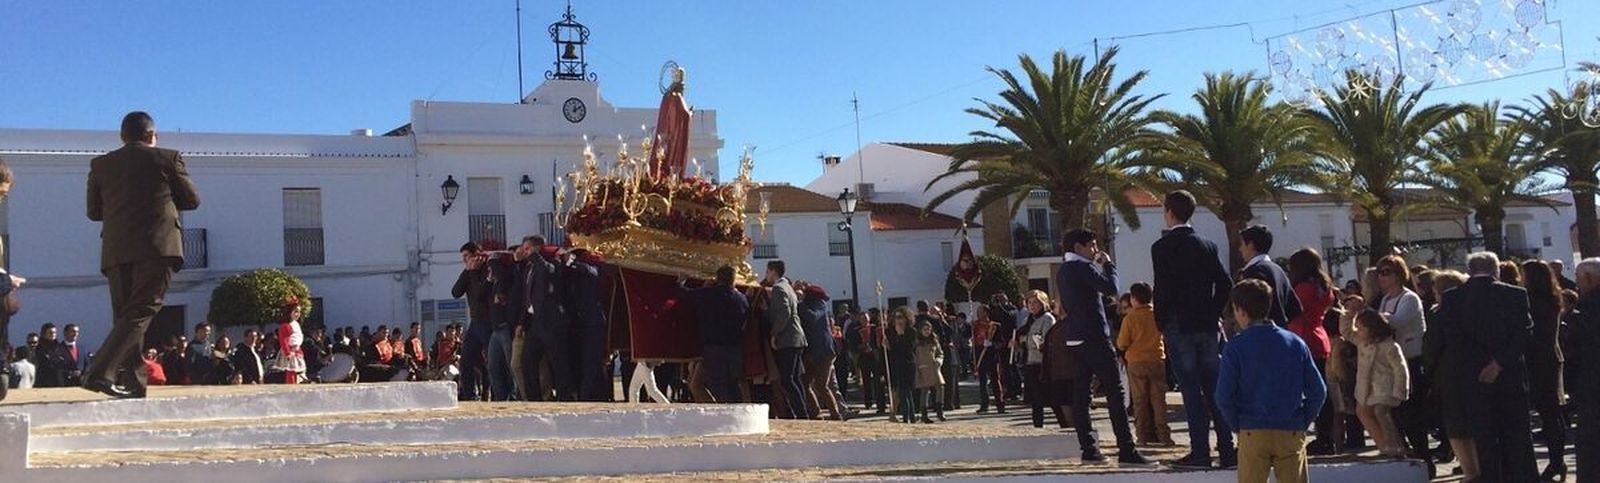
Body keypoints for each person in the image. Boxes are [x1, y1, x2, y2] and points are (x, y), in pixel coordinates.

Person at [83, 111, 201, 398]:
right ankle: (99, 372)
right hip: (158, 247)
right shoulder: (167, 158)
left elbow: (94, 212)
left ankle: (135, 382)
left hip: (116, 250)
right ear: (151, 135)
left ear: (123, 137)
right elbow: (192, 200)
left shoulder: (100, 165)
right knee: (142, 311)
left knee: (126, 316)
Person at [1427, 252, 1537, 481]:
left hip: (1473, 378)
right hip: (1510, 377)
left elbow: (1455, 340)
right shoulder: (1515, 295)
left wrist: (1480, 366)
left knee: (1485, 438)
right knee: (1517, 438)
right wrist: (1499, 363)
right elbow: (1523, 335)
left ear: (1470, 271)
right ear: (1496, 269)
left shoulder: (1453, 298)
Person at [1151, 190, 1236, 469]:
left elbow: (1162, 289)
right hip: (1206, 324)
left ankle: (1200, 451)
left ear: (1169, 212)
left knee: (1190, 389)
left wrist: (1161, 321)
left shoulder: (1162, 247)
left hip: (1179, 325)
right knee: (1214, 387)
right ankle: (1227, 448)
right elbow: (1224, 283)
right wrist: (1213, 311)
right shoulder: (1207, 245)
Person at [1058, 229, 1152, 465]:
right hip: (1094, 337)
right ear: (1078, 247)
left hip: (1075, 337)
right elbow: (1111, 288)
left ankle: (1088, 449)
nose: (1096, 250)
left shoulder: (1063, 270)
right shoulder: (1082, 267)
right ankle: (1127, 449)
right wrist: (1108, 265)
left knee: (1081, 395)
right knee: (1115, 392)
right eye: (1091, 245)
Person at [1217, 279, 1326, 483]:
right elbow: (1318, 391)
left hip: (1252, 429)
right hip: (1290, 428)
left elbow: (1223, 396)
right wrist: (1303, 419)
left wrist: (1237, 424)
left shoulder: (1235, 347)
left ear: (1240, 311)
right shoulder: (1295, 343)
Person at [1366, 256, 1430, 467]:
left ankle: (1424, 459)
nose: (1382, 277)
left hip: (1410, 360)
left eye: (1387, 272)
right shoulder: (1385, 299)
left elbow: (1397, 322)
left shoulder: (1409, 298)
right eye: (1380, 273)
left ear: (1399, 274)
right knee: (1393, 412)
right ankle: (1403, 455)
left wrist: (1372, 316)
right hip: (1390, 363)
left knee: (1412, 414)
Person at [1286, 249, 1338, 454]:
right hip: (1319, 337)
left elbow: (1296, 314)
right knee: (1320, 389)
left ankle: (1320, 436)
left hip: (1304, 337)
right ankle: (1325, 436)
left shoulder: (1304, 288)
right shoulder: (1323, 286)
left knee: (1307, 391)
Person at [1521, 260, 1568, 480]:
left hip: (1537, 361)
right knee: (1552, 413)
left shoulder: (1531, 301)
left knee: (1547, 413)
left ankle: (1556, 461)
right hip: (1551, 357)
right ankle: (1557, 460)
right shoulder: (1552, 299)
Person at [1341, 307, 1409, 457]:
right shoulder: (1362, 342)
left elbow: (1400, 369)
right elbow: (1346, 331)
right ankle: (1383, 446)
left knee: (1381, 412)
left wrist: (1400, 390)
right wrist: (1348, 314)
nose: (1357, 331)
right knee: (1362, 412)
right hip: (1366, 388)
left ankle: (1396, 446)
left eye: (1361, 328)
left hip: (1385, 388)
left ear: (1372, 328)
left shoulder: (1389, 346)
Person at [682, 265, 749, 404]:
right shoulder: (741, 299)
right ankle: (726, 413)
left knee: (713, 386)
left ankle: (720, 414)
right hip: (735, 349)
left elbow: (685, 295)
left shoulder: (708, 294)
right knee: (731, 386)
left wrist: (680, 282)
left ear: (718, 279)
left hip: (713, 349)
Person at [1117, 282, 1174, 447]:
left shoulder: (1130, 318)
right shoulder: (1157, 314)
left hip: (1136, 361)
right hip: (1157, 359)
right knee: (1158, 400)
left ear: (1133, 299)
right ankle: (1164, 436)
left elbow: (1122, 342)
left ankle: (1142, 436)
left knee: (1140, 401)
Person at [763, 260, 809, 419]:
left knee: (787, 379)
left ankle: (802, 414)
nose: (766, 275)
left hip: (788, 339)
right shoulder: (787, 287)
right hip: (797, 338)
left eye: (767, 272)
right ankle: (803, 412)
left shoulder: (778, 288)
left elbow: (784, 313)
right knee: (795, 378)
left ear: (773, 271)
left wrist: (775, 333)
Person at [1568, 258, 1600, 483]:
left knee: (1590, 445)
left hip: (1591, 383)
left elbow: (1577, 348)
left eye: (1579, 280)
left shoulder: (1586, 307)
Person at [566, 248, 611, 402]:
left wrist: (575, 264)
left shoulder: (593, 264)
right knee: (582, 362)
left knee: (592, 362)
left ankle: (588, 397)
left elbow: (594, 272)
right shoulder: (570, 270)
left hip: (593, 322)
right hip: (578, 322)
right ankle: (589, 394)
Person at [451, 242, 495, 400]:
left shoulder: (486, 269)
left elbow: (479, 294)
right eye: (463, 258)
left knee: (492, 363)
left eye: (466, 256)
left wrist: (474, 272)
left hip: (488, 322)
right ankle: (470, 395)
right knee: (466, 361)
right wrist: (467, 271)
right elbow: (456, 292)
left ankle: (493, 394)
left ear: (476, 254)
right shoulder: (469, 272)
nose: (465, 261)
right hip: (475, 322)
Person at [1237, 225, 1303, 327]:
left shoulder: (1253, 272)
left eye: (1242, 244)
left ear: (1250, 245)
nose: (1240, 249)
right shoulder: (1279, 270)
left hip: (1258, 335)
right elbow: (1295, 308)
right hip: (1281, 333)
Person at [1019, 290, 1067, 429]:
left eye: (1035, 302)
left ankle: (1064, 424)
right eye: (1029, 303)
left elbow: (1047, 340)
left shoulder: (1047, 319)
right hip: (1030, 361)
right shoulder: (1029, 320)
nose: (1032, 305)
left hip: (1042, 363)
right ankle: (1037, 426)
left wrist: (1030, 341)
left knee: (1050, 398)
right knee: (1035, 400)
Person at [798, 282, 845, 420]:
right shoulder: (817, 304)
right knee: (805, 383)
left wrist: (800, 302)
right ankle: (815, 412)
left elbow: (811, 317)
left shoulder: (819, 306)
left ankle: (835, 414)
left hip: (823, 353)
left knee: (822, 386)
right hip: (814, 352)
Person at [972, 304, 1007, 414]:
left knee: (995, 380)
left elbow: (1001, 342)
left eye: (980, 311)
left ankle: (1000, 404)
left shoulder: (995, 326)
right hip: (979, 355)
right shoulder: (975, 325)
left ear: (986, 313)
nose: (978, 314)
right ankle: (984, 404)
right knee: (982, 382)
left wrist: (991, 344)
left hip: (991, 355)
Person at [885, 308, 918, 424]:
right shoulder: (893, 332)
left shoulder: (911, 332)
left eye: (900, 317)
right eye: (896, 317)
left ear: (906, 319)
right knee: (903, 392)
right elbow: (895, 350)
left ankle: (908, 417)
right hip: (898, 364)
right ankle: (909, 417)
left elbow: (909, 349)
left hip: (908, 364)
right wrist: (888, 346)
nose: (898, 320)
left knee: (906, 392)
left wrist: (901, 335)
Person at [913, 320, 945, 423]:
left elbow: (940, 353)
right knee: (925, 390)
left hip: (934, 368)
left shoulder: (934, 341)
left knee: (940, 387)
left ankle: (940, 411)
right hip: (923, 368)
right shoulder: (917, 342)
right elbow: (914, 356)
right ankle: (924, 414)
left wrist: (939, 361)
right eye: (925, 329)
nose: (927, 331)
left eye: (929, 329)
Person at [274, 298, 307, 384]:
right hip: (290, 351)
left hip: (296, 350)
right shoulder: (286, 326)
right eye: (295, 311)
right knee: (291, 370)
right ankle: (291, 386)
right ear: (289, 312)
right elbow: (283, 341)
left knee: (297, 370)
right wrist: (287, 353)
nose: (298, 314)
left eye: (299, 312)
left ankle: (296, 384)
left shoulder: (296, 324)